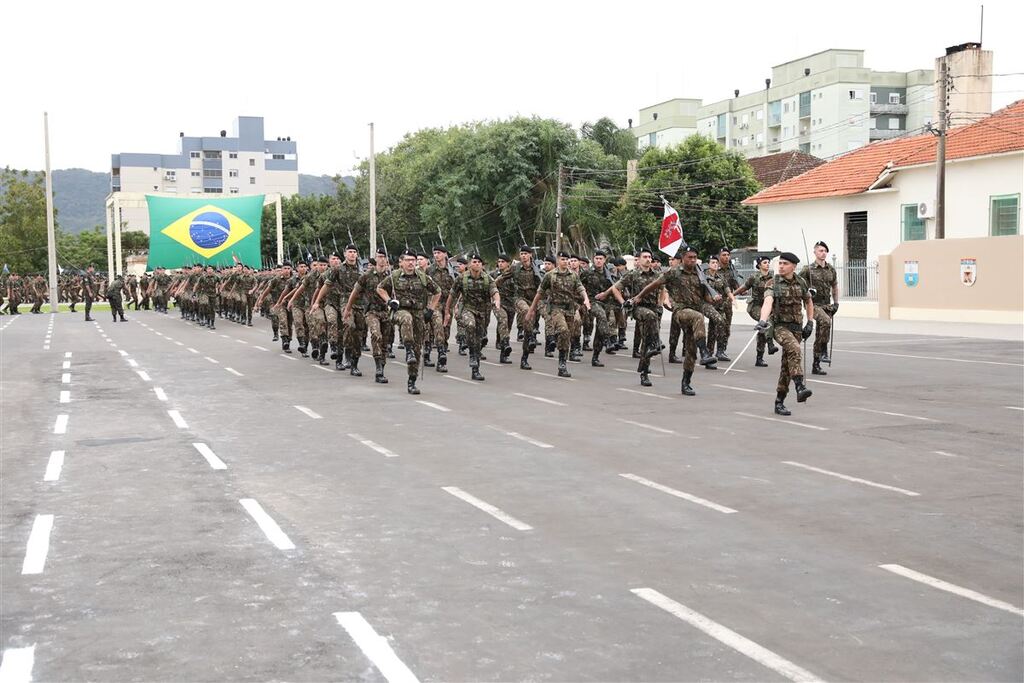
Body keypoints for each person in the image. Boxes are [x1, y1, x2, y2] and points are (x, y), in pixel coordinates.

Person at [629, 246, 719, 394]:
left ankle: (686, 383)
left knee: (691, 352)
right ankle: (705, 352)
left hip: (695, 313)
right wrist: (639, 296)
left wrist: (714, 298)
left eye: (695, 257)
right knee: (698, 317)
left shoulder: (700, 274)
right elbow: (654, 285)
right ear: (683, 258)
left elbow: (706, 297)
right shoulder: (674, 272)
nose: (692, 260)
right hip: (681, 312)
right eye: (689, 257)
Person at [375, 250, 441, 395]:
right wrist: (389, 301)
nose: (411, 262)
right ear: (401, 262)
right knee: (406, 319)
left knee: (418, 351)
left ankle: (412, 381)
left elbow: (438, 291)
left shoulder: (423, 277)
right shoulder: (395, 276)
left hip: (418, 313)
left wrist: (430, 309)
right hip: (400, 311)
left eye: (413, 260)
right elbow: (380, 288)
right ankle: (408, 348)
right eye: (408, 260)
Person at [757, 252, 814, 416]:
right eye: (780, 263)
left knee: (787, 368)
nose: (781, 266)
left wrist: (810, 322)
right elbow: (768, 302)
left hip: (796, 328)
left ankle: (779, 402)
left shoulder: (801, 282)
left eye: (785, 263)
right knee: (795, 349)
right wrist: (762, 320)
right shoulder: (772, 282)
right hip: (779, 327)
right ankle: (800, 386)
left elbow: (808, 301)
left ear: (794, 267)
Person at [599, 248, 663, 386]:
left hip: (653, 309)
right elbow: (616, 288)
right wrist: (623, 303)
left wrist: (660, 304)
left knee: (646, 343)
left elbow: (663, 289)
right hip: (638, 308)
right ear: (639, 260)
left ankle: (644, 372)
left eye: (649, 257)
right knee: (650, 320)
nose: (648, 259)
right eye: (644, 257)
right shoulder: (632, 274)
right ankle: (655, 343)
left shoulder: (657, 275)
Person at [525, 251, 590, 378]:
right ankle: (561, 363)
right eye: (562, 259)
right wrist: (531, 309)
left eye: (567, 259)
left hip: (569, 309)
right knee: (564, 330)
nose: (565, 262)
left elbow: (581, 288)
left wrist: (586, 299)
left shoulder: (573, 276)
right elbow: (539, 293)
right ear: (558, 261)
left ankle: (562, 362)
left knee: (566, 336)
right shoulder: (550, 275)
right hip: (555, 308)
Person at [445, 254, 500, 381]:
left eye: (479, 262)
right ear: (470, 264)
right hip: (468, 309)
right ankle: (472, 355)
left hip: (483, 312)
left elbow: (495, 292)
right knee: (470, 325)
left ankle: (476, 370)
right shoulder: (462, 278)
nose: (476, 264)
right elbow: (452, 295)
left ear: (482, 265)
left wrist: (497, 301)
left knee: (479, 339)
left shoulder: (487, 279)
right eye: (474, 262)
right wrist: (448, 310)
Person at [345, 248, 393, 382]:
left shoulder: (391, 277)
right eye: (379, 256)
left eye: (384, 257)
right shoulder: (366, 276)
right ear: (375, 258)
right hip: (371, 311)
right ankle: (377, 369)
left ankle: (381, 367)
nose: (382, 259)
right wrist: (348, 309)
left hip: (386, 312)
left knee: (384, 341)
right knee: (375, 335)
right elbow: (355, 292)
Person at [497, 246, 542, 370]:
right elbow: (501, 278)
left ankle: (524, 359)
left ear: (530, 255)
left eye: (525, 254)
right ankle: (529, 335)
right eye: (521, 253)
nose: (523, 256)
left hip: (532, 301)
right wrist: (492, 290)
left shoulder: (536, 270)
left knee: (528, 330)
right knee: (525, 312)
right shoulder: (515, 268)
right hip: (519, 299)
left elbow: (543, 286)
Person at [798, 241, 839, 375]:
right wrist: (807, 291)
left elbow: (834, 286)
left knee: (821, 332)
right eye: (820, 250)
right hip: (813, 304)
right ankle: (823, 351)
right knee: (826, 321)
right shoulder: (807, 269)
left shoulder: (831, 269)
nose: (823, 253)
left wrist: (836, 303)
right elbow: (798, 284)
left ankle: (816, 364)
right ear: (815, 252)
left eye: (825, 251)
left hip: (827, 304)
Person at [733, 256, 778, 366]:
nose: (767, 264)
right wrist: (732, 295)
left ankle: (759, 358)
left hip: (768, 307)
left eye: (768, 262)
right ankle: (770, 344)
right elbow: (744, 287)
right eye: (765, 262)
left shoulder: (774, 278)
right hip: (755, 307)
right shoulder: (754, 277)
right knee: (765, 321)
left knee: (762, 331)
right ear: (759, 265)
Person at [579, 250, 618, 367]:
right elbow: (578, 286)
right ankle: (608, 340)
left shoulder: (609, 275)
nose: (598, 260)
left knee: (599, 331)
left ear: (604, 260)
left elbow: (614, 289)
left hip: (605, 304)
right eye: (596, 258)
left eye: (601, 258)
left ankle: (595, 356)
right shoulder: (587, 273)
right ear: (593, 259)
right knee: (601, 316)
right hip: (591, 302)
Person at [426, 245, 455, 372]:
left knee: (446, 331)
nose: (436, 255)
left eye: (439, 253)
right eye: (435, 253)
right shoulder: (429, 270)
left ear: (445, 254)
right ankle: (441, 355)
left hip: (448, 305)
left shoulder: (452, 270)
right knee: (438, 325)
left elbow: (457, 288)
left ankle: (442, 348)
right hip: (434, 303)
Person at [715, 247, 740, 361]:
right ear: (719, 256)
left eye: (728, 255)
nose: (726, 257)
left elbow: (737, 287)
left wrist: (736, 292)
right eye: (724, 255)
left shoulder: (731, 271)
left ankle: (722, 350)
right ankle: (713, 350)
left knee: (726, 328)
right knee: (715, 328)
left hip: (727, 303)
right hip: (715, 303)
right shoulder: (715, 269)